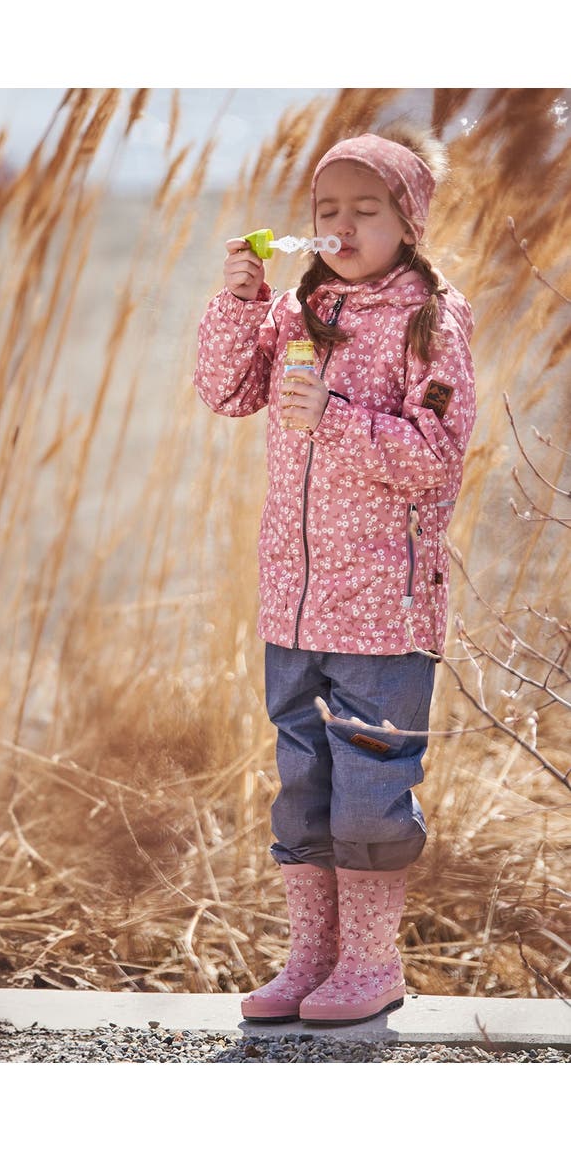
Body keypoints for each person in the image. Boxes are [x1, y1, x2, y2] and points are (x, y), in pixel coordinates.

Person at [194, 126, 476, 1024]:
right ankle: (311, 958)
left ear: (409, 222)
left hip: (384, 613)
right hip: (293, 600)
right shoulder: (295, 311)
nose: (343, 226)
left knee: (371, 792)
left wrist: (338, 416)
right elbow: (224, 392)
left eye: (367, 210)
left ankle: (371, 963)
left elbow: (437, 457)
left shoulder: (431, 318)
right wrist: (240, 303)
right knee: (303, 788)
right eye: (327, 211)